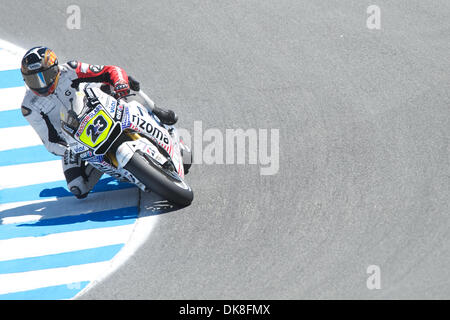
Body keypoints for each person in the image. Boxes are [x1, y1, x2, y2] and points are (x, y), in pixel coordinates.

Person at [20, 46, 178, 199]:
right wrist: (72, 149)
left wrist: (120, 83)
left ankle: (156, 111)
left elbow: (110, 70)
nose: (41, 85)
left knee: (128, 82)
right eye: (33, 80)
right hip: (77, 140)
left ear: (55, 69)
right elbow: (50, 141)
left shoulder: (70, 70)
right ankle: (115, 167)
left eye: (44, 76)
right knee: (78, 187)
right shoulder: (29, 107)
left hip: (101, 109)